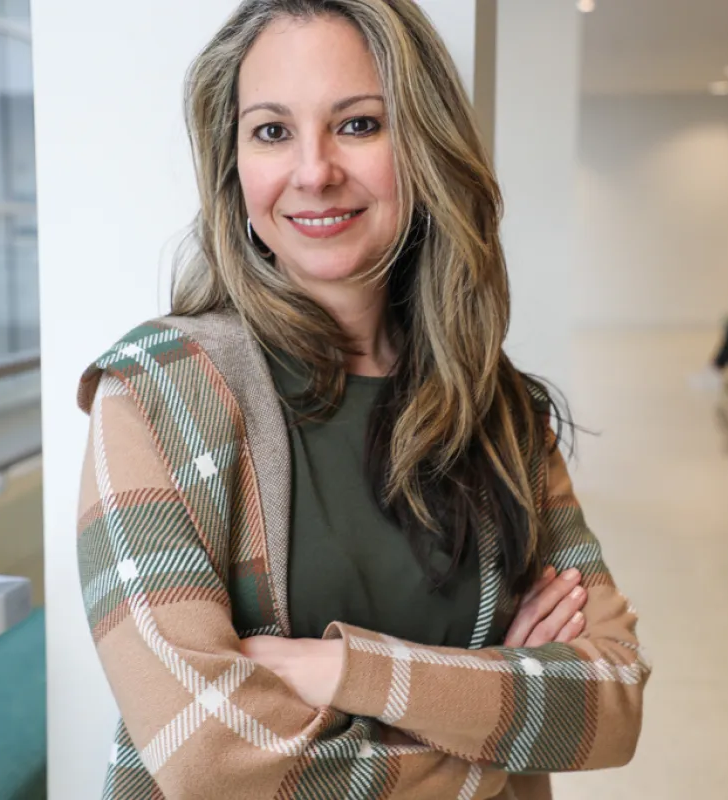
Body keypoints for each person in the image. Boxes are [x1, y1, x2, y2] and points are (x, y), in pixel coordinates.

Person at [75, 1, 650, 798]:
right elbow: (209, 758)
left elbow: (612, 701)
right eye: (272, 131)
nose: (314, 171)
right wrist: (495, 710)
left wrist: (338, 669)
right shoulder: (154, 394)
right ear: (233, 167)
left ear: (422, 144)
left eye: (358, 125)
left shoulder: (501, 414)